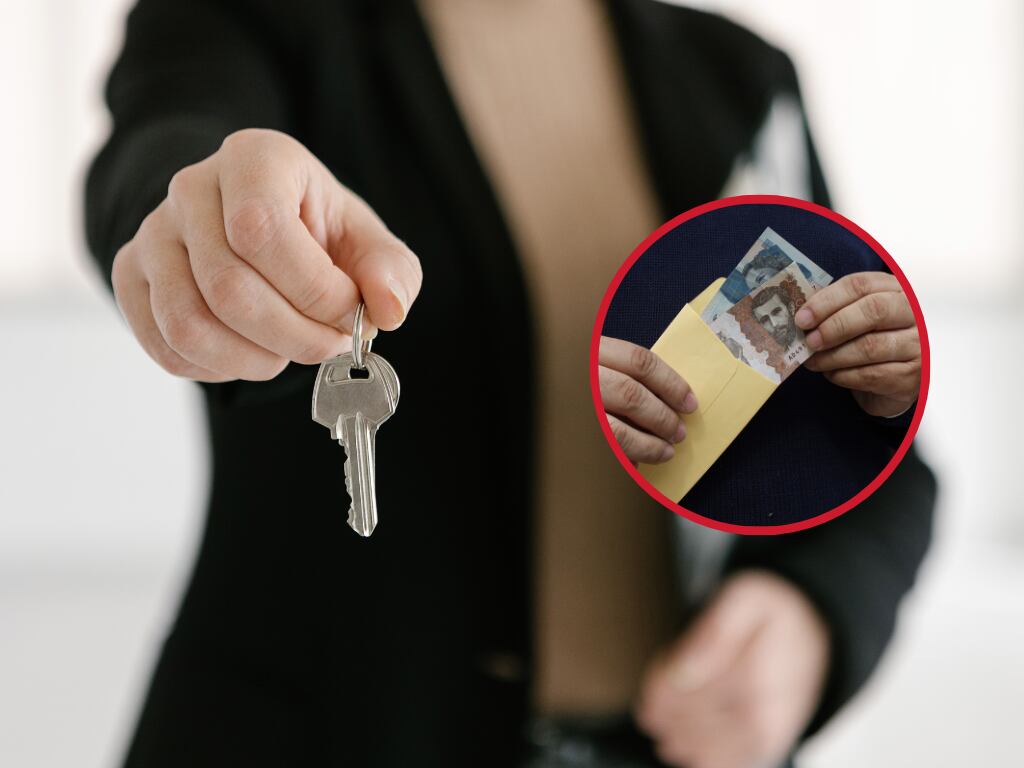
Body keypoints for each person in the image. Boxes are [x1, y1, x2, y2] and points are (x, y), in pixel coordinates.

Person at [85, 1, 935, 766]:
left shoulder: (739, 77)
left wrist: (808, 617)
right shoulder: (249, 22)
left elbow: (868, 448)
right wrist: (203, 221)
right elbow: (168, 151)